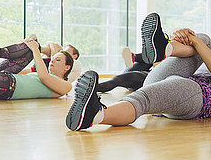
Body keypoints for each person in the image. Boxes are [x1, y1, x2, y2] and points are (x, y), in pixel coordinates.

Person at [66, 12, 211, 131]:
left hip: (199, 96)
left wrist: (196, 42)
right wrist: (181, 36)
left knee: (143, 98)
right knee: (203, 38)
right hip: (168, 82)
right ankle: (164, 48)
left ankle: (95, 115)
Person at [0, 35, 82, 83]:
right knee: (30, 47)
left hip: (42, 71)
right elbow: (52, 45)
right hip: (38, 68)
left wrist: (35, 46)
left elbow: (53, 51)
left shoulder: (75, 64)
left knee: (32, 47)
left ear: (74, 56)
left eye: (67, 51)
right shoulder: (57, 59)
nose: (63, 52)